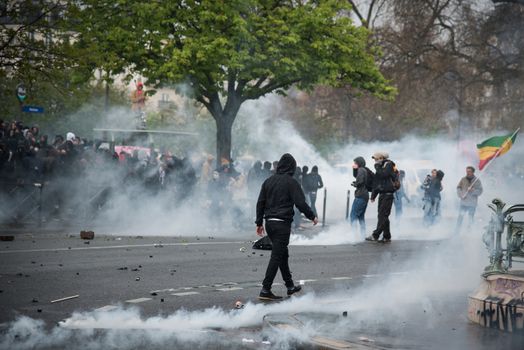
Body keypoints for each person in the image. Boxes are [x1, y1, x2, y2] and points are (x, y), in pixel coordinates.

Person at [255, 153, 318, 300]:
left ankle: (290, 286)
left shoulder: (268, 181)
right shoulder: (292, 182)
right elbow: (300, 203)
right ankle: (265, 289)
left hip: (269, 223)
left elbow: (260, 203)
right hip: (282, 224)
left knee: (282, 254)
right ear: (292, 167)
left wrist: (259, 223)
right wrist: (312, 216)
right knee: (277, 256)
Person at [366, 152, 397, 243]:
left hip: (388, 194)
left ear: (381, 158)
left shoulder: (388, 164)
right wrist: (373, 196)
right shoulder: (380, 167)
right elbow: (377, 182)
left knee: (383, 215)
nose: (375, 161)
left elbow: (384, 175)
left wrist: (377, 167)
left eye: (376, 158)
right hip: (382, 194)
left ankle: (376, 235)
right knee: (383, 216)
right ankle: (387, 236)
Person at [455, 166, 483, 233]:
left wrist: (473, 190)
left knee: (470, 218)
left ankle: (470, 232)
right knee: (460, 217)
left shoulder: (477, 180)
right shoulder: (463, 179)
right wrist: (461, 195)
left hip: (472, 203)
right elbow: (458, 188)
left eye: (469, 171)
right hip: (463, 203)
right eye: (467, 171)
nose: (468, 173)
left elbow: (480, 191)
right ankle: (456, 231)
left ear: (473, 172)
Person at [350, 157, 369, 239]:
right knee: (361, 217)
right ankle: (362, 235)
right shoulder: (363, 170)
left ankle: (353, 235)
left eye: (355, 163)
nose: (354, 164)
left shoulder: (361, 170)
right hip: (364, 195)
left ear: (359, 163)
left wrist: (355, 184)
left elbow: (360, 181)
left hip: (360, 195)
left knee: (353, 216)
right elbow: (356, 176)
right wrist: (354, 169)